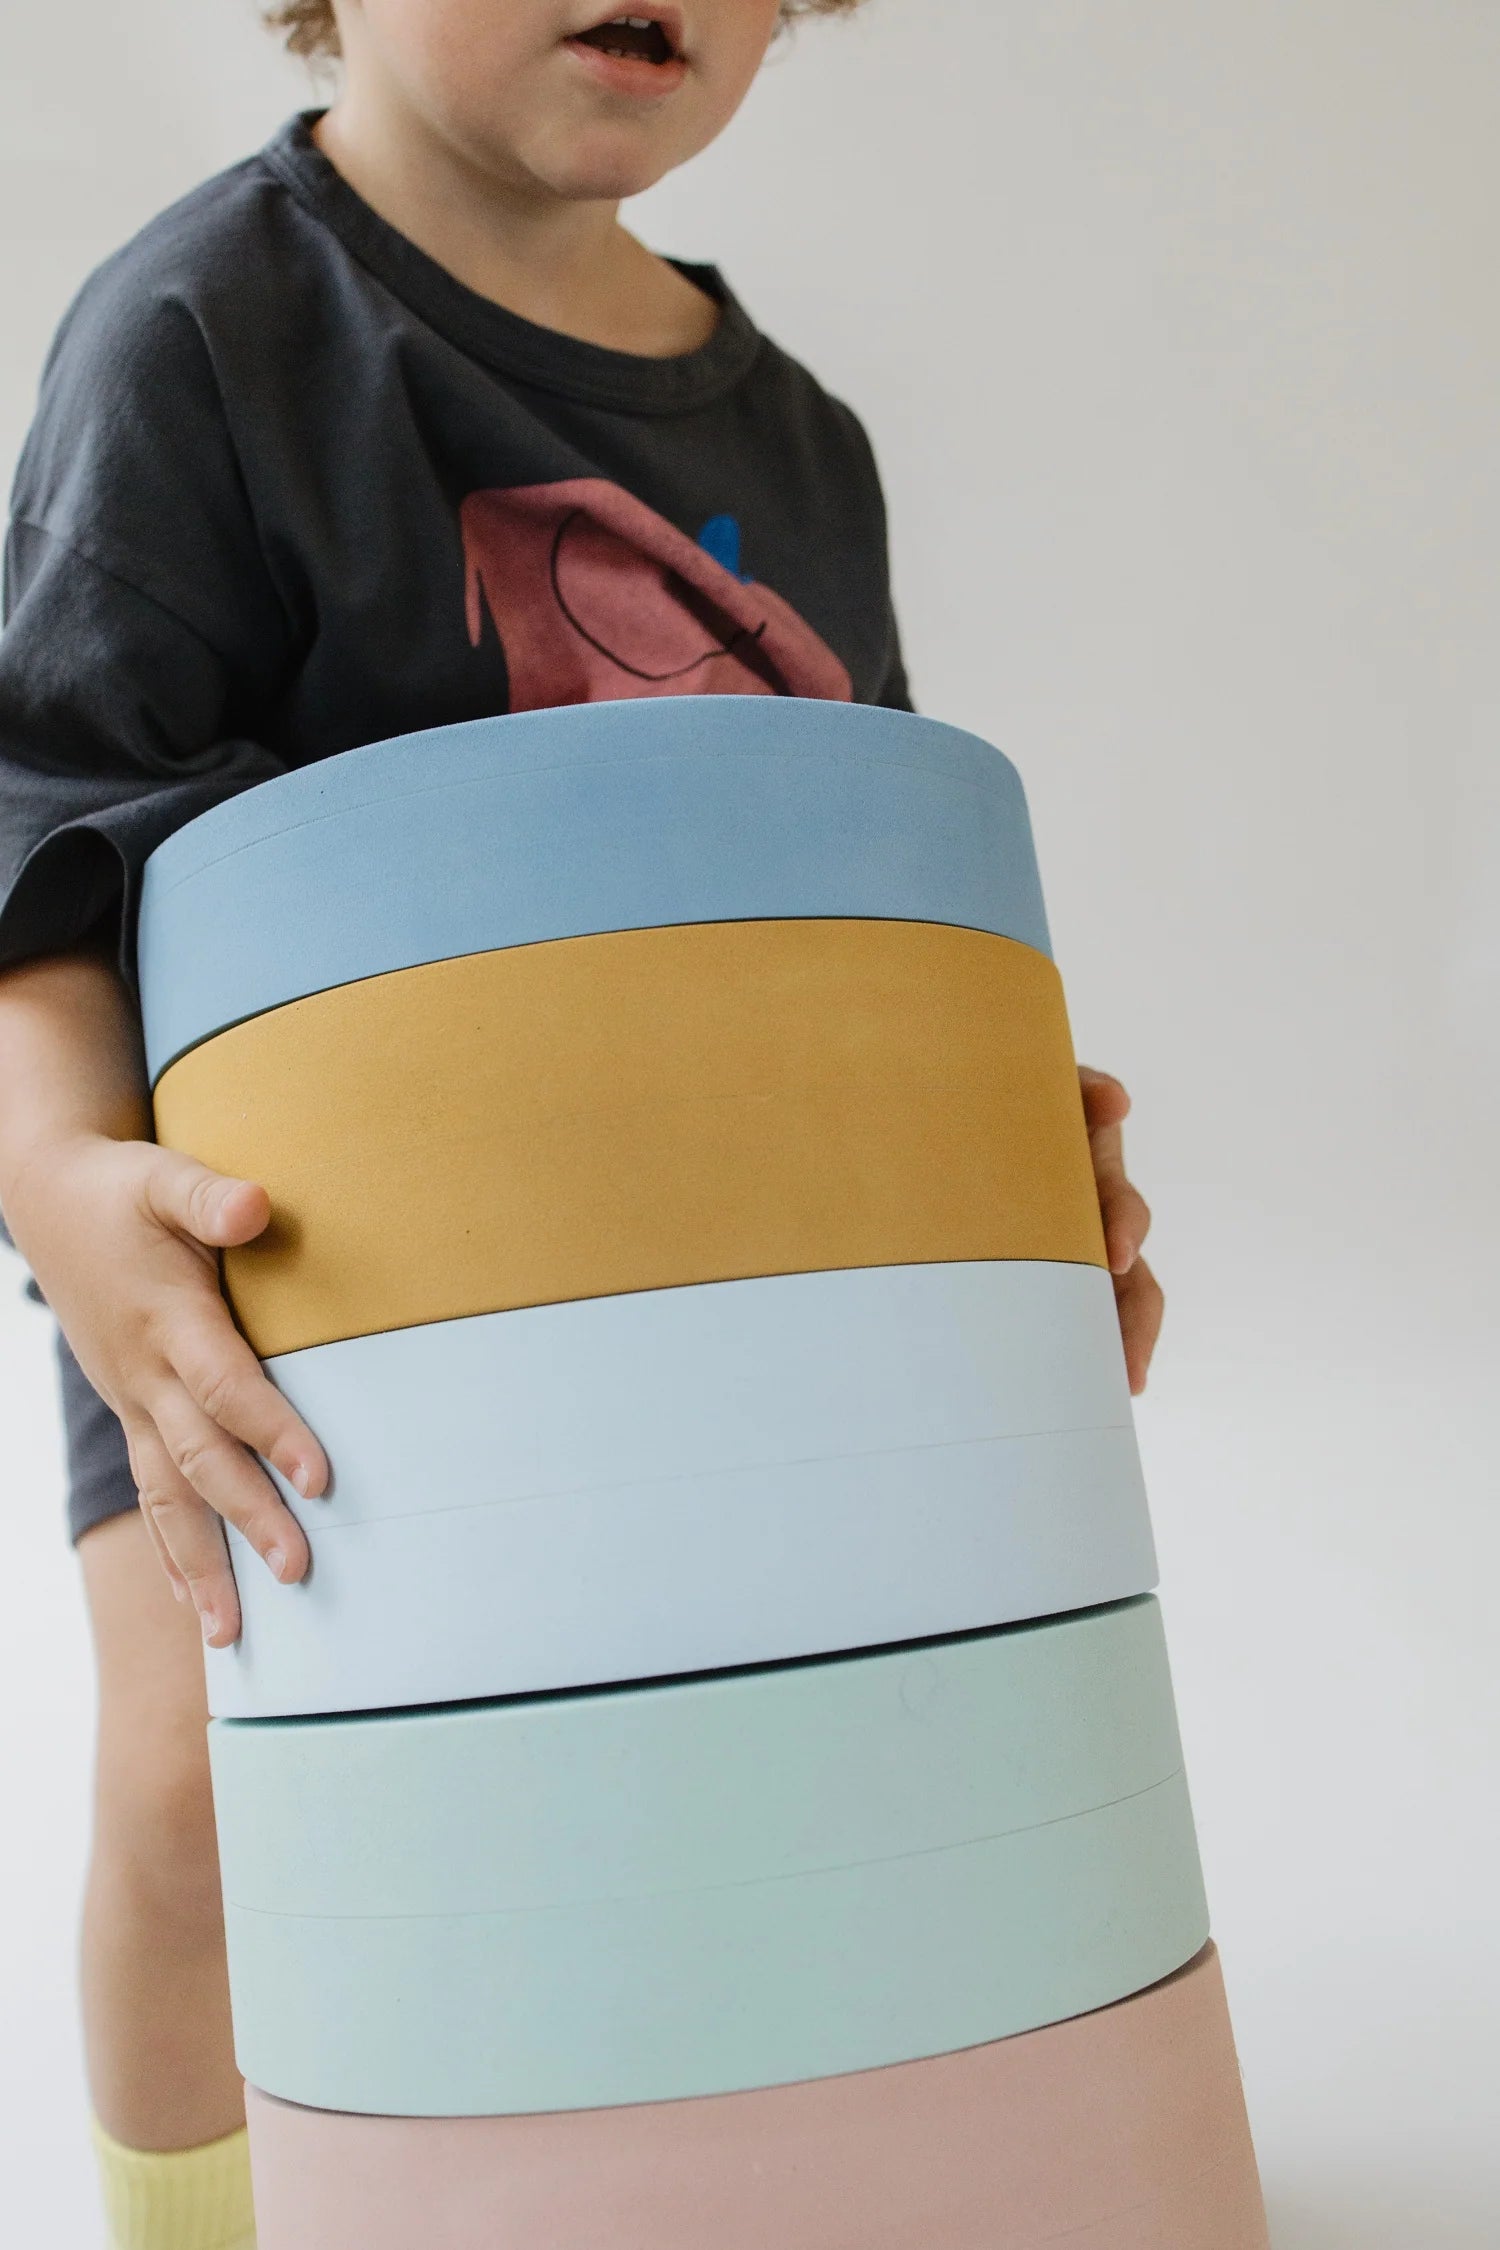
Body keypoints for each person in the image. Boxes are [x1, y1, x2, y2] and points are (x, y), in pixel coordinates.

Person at [0, 3, 1164, 2244]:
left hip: (708, 1281)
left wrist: (1013, 1171)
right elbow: (41, 819)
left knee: (727, 1768)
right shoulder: (205, 332)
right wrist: (57, 1179)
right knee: (199, 1785)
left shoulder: (802, 440)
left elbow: (852, 895)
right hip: (278, 1284)